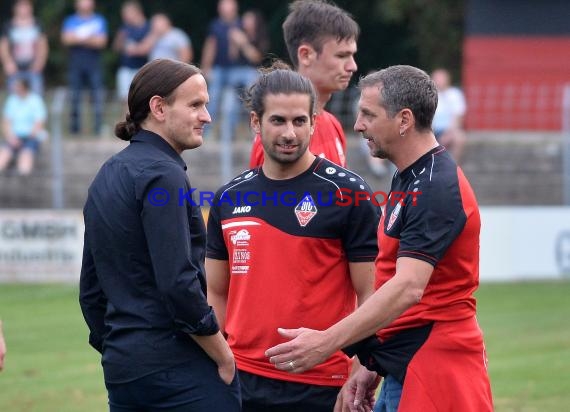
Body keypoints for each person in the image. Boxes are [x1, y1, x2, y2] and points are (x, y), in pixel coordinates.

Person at [265, 65, 494, 412]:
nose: (358, 125)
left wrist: (326, 342)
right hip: (405, 365)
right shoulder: (411, 176)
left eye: (368, 114)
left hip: (435, 372)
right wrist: (371, 363)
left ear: (403, 120)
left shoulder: (435, 186)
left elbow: (408, 288)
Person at [205, 63, 380, 412]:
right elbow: (216, 291)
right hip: (241, 382)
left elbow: (372, 292)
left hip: (322, 383)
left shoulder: (349, 193)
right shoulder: (229, 198)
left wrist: (360, 369)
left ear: (315, 122)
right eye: (278, 121)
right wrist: (218, 363)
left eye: (300, 121)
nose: (290, 133)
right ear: (256, 122)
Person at [79, 59, 241, 411]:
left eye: (207, 105)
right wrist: (223, 354)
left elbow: (91, 292)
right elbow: (178, 283)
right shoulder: (162, 174)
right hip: (177, 368)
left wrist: (123, 348)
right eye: (196, 104)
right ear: (159, 107)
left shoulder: (106, 175)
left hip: (124, 369)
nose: (207, 117)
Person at [249, 0, 359, 168]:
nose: (352, 66)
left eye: (352, 56)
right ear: (306, 55)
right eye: (342, 56)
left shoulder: (333, 124)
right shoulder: (276, 140)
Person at [200, 0, 265, 139]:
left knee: (249, 81)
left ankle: (257, 118)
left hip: (237, 70)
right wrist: (205, 69)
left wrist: (240, 42)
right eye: (223, 6)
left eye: (228, 6)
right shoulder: (215, 25)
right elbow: (210, 47)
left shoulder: (241, 24)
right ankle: (205, 133)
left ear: (235, 8)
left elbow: (253, 56)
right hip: (219, 69)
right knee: (212, 97)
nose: (226, 9)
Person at [61, 0, 107, 135]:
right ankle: (75, 129)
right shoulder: (70, 20)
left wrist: (78, 37)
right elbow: (66, 39)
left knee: (97, 96)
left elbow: (101, 42)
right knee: (75, 96)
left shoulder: (99, 20)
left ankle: (98, 127)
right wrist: (90, 38)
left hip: (94, 64)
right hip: (75, 64)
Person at [0, 77, 47, 176]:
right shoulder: (12, 100)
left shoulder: (35, 101)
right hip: (13, 138)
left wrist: (27, 137)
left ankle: (23, 185)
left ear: (24, 87)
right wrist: (11, 137)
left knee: (25, 159)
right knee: (3, 157)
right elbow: (6, 122)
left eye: (17, 86)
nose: (14, 89)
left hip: (30, 138)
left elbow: (39, 123)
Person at [0, 0, 48, 95]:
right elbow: (3, 46)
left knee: (36, 96)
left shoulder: (37, 24)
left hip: (33, 67)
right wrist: (8, 63)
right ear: (15, 8)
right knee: (15, 97)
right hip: (15, 67)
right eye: (21, 6)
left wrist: (39, 62)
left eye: (26, 6)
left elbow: (43, 45)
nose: (24, 9)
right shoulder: (8, 26)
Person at [112, 1, 150, 105]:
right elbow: (116, 48)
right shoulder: (125, 28)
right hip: (125, 68)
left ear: (136, 12)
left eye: (126, 14)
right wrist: (120, 38)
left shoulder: (148, 27)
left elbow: (146, 49)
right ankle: (127, 121)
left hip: (141, 69)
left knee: (140, 100)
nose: (124, 17)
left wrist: (135, 49)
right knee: (125, 100)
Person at [431, 68, 467, 163]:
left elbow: (458, 117)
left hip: (449, 130)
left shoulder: (455, 94)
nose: (439, 81)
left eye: (441, 79)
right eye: (437, 79)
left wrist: (448, 133)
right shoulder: (428, 95)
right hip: (430, 130)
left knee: (459, 138)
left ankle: (453, 167)